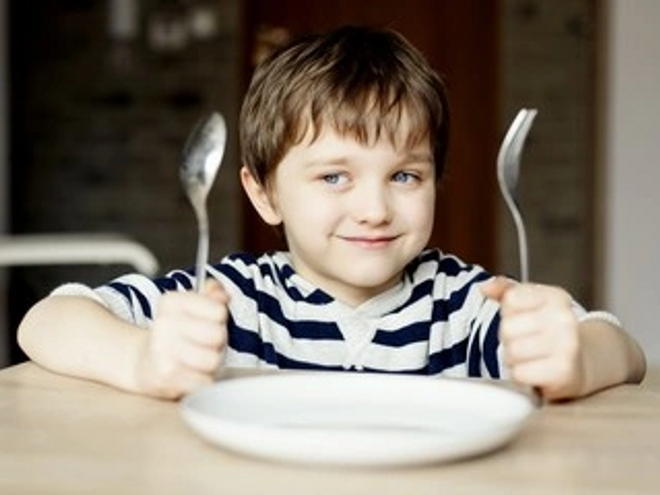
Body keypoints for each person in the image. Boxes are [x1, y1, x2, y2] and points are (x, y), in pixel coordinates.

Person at [17, 26, 645, 401]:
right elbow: (47, 320)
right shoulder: (229, 301)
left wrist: (578, 360)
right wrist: (142, 361)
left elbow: (624, 348)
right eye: (334, 176)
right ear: (264, 193)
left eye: (404, 175)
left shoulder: (467, 306)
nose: (373, 208)